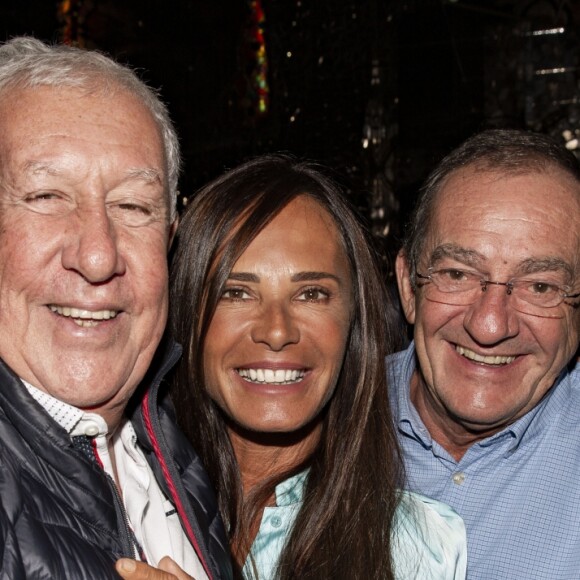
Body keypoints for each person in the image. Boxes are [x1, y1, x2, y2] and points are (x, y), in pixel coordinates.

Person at [118, 154, 467, 580]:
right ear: (188, 316)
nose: (278, 331)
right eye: (237, 293)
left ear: (352, 323)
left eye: (312, 294)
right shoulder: (126, 492)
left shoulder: (417, 547)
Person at [0, 36, 231, 579]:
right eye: (46, 196)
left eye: (133, 206)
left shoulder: (175, 447)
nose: (99, 255)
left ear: (170, 240)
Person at [391, 128, 580, 579]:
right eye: (457, 273)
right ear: (407, 287)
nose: (490, 325)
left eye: (541, 286)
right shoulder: (317, 426)